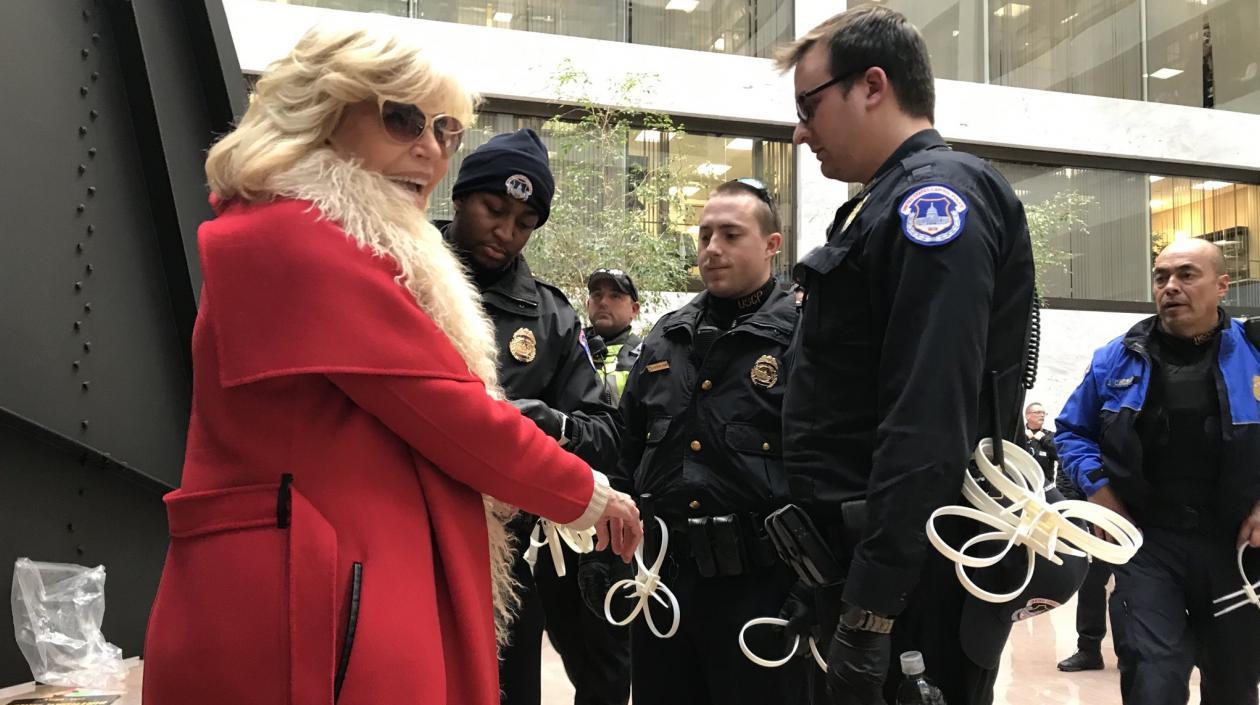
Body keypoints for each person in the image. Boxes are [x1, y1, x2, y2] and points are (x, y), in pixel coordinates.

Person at [141, 28, 641, 705]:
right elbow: (453, 413)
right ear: (325, 111)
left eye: (447, 130)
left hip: (327, 584)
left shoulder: (316, 234)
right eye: (402, 118)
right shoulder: (304, 240)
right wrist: (591, 495)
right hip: (317, 606)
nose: (431, 148)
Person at [774, 7, 1036, 704]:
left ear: (872, 86)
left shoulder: (934, 200)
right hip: (870, 570)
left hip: (913, 587)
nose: (800, 131)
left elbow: (927, 417)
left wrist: (872, 607)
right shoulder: (879, 206)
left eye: (809, 105)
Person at [436, 130, 630, 705]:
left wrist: (551, 424)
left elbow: (605, 434)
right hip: (398, 527)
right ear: (459, 197)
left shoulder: (550, 317)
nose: (506, 231)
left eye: (524, 221)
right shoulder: (399, 269)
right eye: (493, 209)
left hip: (508, 552)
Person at [615, 179, 804, 705]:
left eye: (730, 234)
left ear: (772, 244)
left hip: (762, 588)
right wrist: (602, 557)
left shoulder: (804, 337)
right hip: (664, 583)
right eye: (703, 236)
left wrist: (815, 586)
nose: (712, 248)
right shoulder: (666, 336)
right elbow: (628, 451)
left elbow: (829, 468)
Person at [1056, 238, 1260, 705]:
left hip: (1234, 548)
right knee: (1153, 678)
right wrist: (1098, 490)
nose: (1170, 286)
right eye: (1161, 276)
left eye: (1187, 274)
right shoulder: (1117, 357)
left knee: (1234, 683)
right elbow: (1071, 430)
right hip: (1148, 543)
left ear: (1222, 286)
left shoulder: (1254, 351)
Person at [584, 268, 643, 407]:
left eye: (615, 296)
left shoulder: (646, 356)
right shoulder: (569, 349)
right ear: (587, 305)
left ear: (634, 309)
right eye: (597, 295)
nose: (603, 302)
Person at [1022, 402, 1058, 489]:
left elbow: (1059, 454)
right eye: (1038, 412)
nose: (1042, 415)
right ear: (1027, 416)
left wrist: (1043, 439)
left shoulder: (1050, 436)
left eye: (1043, 413)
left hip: (1043, 485)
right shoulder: (1018, 434)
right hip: (1021, 483)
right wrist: (1024, 437)